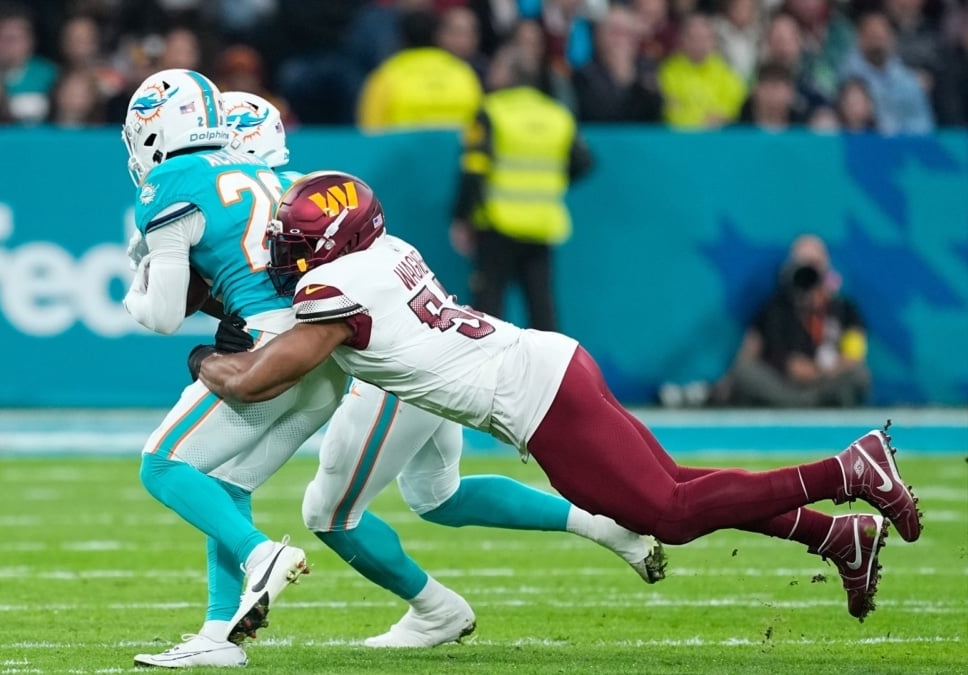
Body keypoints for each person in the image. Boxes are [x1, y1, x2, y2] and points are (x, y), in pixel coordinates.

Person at [197, 171, 924, 623]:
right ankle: (835, 536)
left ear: (337, 242)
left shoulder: (335, 288)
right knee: (676, 487)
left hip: (535, 397)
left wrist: (205, 359)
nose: (289, 255)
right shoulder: (384, 252)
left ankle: (848, 471)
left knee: (668, 515)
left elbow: (260, 379)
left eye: (300, 242)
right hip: (548, 362)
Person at [139, 90, 664, 668]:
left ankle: (434, 608)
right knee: (438, 495)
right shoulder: (307, 195)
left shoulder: (267, 206)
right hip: (430, 348)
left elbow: (300, 315)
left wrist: (211, 334)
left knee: (328, 514)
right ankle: (598, 529)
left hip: (392, 371)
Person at [119, 70, 332, 669]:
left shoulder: (169, 181)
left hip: (268, 345)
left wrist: (133, 291)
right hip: (328, 350)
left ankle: (260, 554)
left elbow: (164, 316)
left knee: (162, 465)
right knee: (227, 484)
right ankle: (218, 636)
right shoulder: (275, 173)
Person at [452, 48, 591, 332]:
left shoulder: (491, 111)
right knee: (541, 307)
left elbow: (474, 170)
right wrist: (549, 183)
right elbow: (583, 162)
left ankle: (487, 362)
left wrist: (461, 217)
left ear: (508, 75)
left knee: (489, 307)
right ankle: (550, 362)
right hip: (541, 223)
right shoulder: (556, 114)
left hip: (497, 223)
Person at [712, 235, 872, 408]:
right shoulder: (774, 307)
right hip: (784, 385)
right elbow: (748, 352)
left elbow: (854, 355)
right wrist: (787, 366)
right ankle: (803, 403)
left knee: (859, 374)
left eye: (814, 265)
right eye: (803, 265)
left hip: (825, 382)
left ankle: (810, 402)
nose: (809, 272)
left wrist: (820, 371)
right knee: (744, 372)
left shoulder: (845, 309)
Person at [357, 9, 482, 132]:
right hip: (456, 146)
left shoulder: (386, 75)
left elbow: (370, 131)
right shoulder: (464, 73)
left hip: (402, 146)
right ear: (437, 36)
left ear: (400, 36)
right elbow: (478, 126)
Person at [840, 11, 934, 135]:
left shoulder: (907, 80)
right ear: (859, 38)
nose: (877, 44)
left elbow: (922, 124)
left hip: (901, 143)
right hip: (858, 141)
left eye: (881, 37)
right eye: (872, 36)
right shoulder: (846, 75)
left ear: (892, 39)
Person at [573, 5, 663, 123]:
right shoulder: (584, 74)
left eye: (628, 33)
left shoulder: (649, 69)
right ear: (598, 36)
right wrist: (623, 79)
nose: (621, 41)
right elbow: (599, 116)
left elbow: (656, 113)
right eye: (615, 32)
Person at [658, 13, 746, 128]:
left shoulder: (727, 73)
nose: (699, 44)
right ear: (683, 40)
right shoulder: (668, 72)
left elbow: (732, 110)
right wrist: (701, 123)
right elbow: (670, 112)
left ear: (713, 41)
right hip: (678, 136)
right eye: (694, 38)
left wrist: (720, 117)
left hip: (718, 136)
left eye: (704, 38)